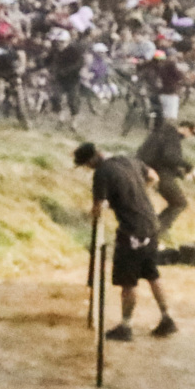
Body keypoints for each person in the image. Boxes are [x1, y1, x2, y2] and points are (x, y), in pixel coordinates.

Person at [75, 140, 176, 339]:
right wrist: (136, 194)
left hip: (132, 230)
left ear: (91, 160)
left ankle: (126, 326)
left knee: (127, 280)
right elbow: (153, 177)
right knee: (152, 274)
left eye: (86, 165)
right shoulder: (128, 159)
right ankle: (167, 318)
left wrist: (90, 215)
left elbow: (99, 207)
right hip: (151, 224)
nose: (88, 168)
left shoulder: (102, 173)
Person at [135, 115, 195, 237]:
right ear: (185, 128)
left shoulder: (163, 133)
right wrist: (189, 167)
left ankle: (154, 228)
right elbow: (170, 157)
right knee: (179, 203)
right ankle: (157, 230)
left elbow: (163, 158)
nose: (189, 136)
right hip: (157, 173)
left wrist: (180, 173)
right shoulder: (172, 136)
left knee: (174, 202)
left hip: (148, 169)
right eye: (191, 133)